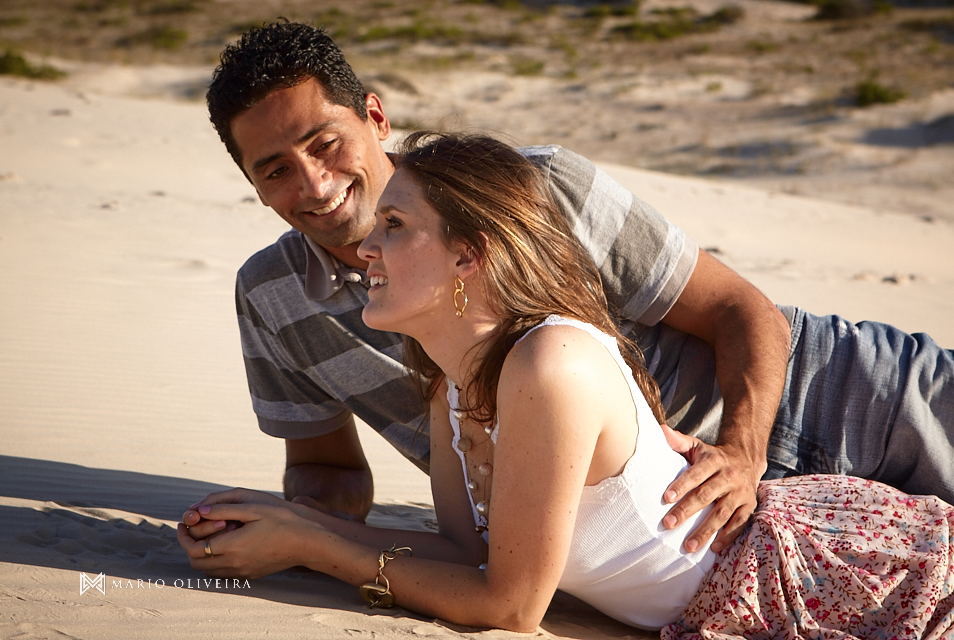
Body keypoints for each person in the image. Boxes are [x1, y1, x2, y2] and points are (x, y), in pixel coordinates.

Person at [185, 20, 954, 558]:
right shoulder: (275, 298)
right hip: (707, 537)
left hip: (857, 401)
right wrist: (278, 528)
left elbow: (739, 310)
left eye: (326, 143)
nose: (314, 184)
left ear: (376, 118)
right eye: (275, 170)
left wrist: (742, 453)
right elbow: (328, 472)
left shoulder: (537, 186)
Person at [178, 132, 954, 638]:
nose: (367, 251)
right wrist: (290, 522)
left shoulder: (550, 364)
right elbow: (464, 553)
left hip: (836, 574)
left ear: (467, 255)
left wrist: (315, 545)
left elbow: (510, 605)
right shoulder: (453, 385)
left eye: (396, 226)